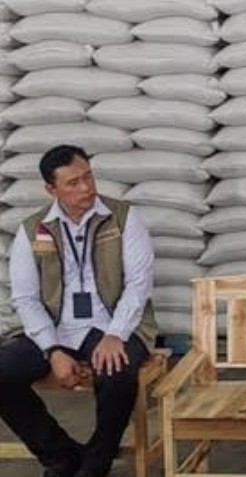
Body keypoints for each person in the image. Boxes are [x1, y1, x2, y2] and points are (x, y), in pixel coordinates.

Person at [0, 145, 156, 477]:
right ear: (51, 189)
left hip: (112, 325)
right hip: (57, 328)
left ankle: (96, 463)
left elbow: (139, 284)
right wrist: (52, 349)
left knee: (117, 373)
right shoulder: (33, 229)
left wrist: (116, 335)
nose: (86, 187)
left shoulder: (123, 218)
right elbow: (26, 298)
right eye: (73, 183)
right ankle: (61, 455)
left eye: (88, 177)